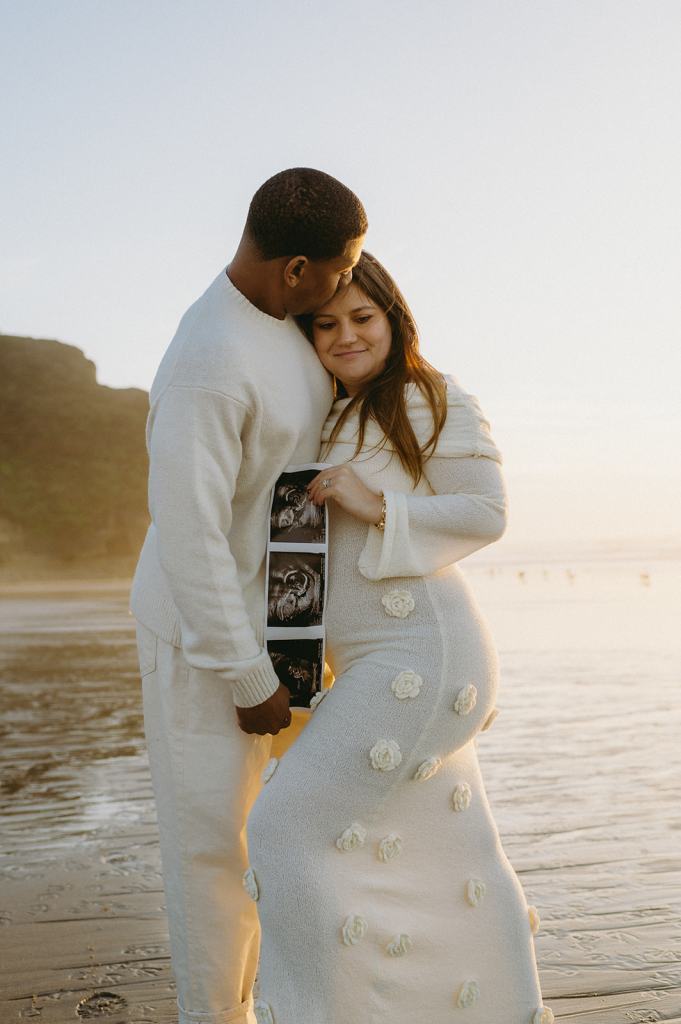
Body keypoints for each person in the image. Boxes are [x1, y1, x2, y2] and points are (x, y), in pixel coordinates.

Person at [247, 252, 555, 1024]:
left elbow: (486, 512)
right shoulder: (317, 410)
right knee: (428, 865)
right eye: (326, 324)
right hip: (367, 659)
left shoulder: (430, 395)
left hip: (422, 652)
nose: (346, 336)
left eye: (362, 318)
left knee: (281, 825)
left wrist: (373, 500)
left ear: (393, 318)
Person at [129, 168, 367, 1024]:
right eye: (343, 268)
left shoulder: (285, 323)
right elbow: (187, 529)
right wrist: (245, 673)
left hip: (282, 626)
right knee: (209, 850)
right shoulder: (207, 363)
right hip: (205, 640)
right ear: (298, 267)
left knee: (277, 843)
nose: (348, 284)